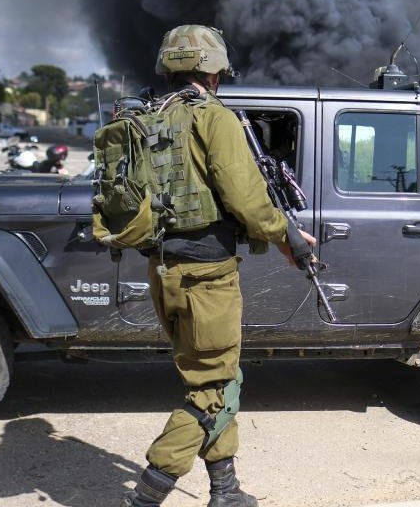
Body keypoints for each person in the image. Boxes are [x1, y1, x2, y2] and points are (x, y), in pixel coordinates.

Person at [121, 25, 317, 507]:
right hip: (207, 276)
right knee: (211, 391)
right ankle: (145, 497)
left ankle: (225, 491)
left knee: (219, 378)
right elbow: (248, 201)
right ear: (214, 70)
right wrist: (287, 235)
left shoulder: (146, 116)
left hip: (164, 271)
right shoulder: (214, 118)